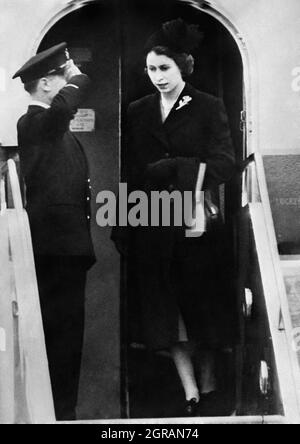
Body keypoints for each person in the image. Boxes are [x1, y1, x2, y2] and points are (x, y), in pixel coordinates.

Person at [112, 19, 236, 417]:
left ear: (183, 66)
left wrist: (177, 166)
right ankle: (191, 394)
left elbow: (225, 163)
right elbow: (129, 169)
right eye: (151, 69)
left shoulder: (208, 106)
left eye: (164, 68)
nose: (158, 77)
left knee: (202, 313)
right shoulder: (137, 110)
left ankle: (211, 382)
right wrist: (123, 220)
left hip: (197, 226)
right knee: (170, 317)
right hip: (154, 224)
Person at [13, 42, 96, 421]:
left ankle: (65, 412)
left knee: (68, 339)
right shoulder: (33, 123)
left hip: (68, 248)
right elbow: (64, 108)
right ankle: (55, 413)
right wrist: (78, 77)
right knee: (55, 336)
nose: (68, 83)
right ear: (46, 84)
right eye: (61, 77)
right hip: (52, 248)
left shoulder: (56, 131)